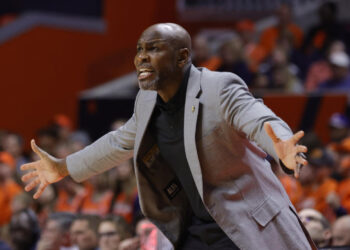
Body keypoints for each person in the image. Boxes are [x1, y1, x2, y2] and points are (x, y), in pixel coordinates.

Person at [21, 23, 315, 249]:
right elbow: (118, 142)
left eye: (154, 49)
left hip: (243, 223)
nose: (141, 58)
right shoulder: (146, 100)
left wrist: (282, 149)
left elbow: (257, 118)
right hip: (190, 231)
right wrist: (63, 167)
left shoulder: (219, 87)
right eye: (139, 50)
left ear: (182, 56)